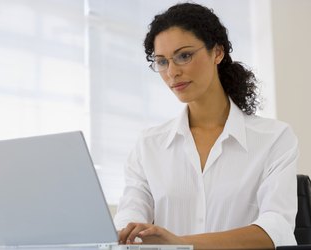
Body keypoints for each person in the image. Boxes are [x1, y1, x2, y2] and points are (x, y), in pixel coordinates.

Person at [113, 2, 298, 250]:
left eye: (184, 56)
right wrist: (128, 233)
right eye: (162, 62)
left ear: (217, 53)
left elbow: (276, 231)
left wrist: (181, 244)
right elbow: (129, 220)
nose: (172, 72)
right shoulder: (149, 144)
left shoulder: (274, 138)